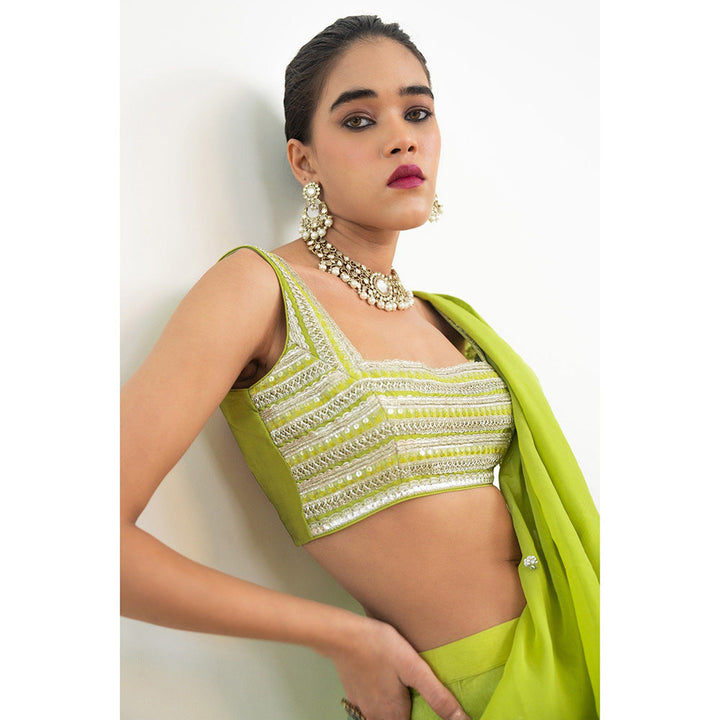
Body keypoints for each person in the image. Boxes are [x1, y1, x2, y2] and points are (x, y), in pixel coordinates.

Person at [121, 15, 599, 720]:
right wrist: (344, 636)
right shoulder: (260, 289)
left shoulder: (448, 321)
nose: (402, 137)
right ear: (304, 161)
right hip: (464, 694)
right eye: (358, 119)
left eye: (418, 112)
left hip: (576, 652)